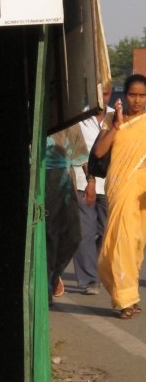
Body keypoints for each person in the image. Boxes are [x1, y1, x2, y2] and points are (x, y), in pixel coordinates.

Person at [95, 73, 146, 320]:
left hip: (140, 188)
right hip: (118, 186)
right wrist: (116, 126)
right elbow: (99, 151)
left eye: (142, 95)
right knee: (119, 244)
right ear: (124, 95)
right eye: (132, 94)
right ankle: (126, 300)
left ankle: (129, 297)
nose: (137, 100)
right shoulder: (113, 119)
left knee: (133, 243)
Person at [72, 84, 113, 294]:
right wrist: (89, 179)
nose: (102, 98)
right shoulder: (79, 118)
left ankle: (95, 267)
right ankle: (89, 279)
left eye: (106, 94)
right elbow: (77, 151)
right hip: (83, 182)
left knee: (107, 232)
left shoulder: (116, 117)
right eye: (99, 94)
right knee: (85, 232)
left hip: (110, 184)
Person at [45, 124, 87, 302]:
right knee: (49, 238)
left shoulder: (70, 122)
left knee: (73, 237)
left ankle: (56, 274)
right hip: (42, 182)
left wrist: (91, 181)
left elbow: (82, 157)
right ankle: (46, 288)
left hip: (66, 184)